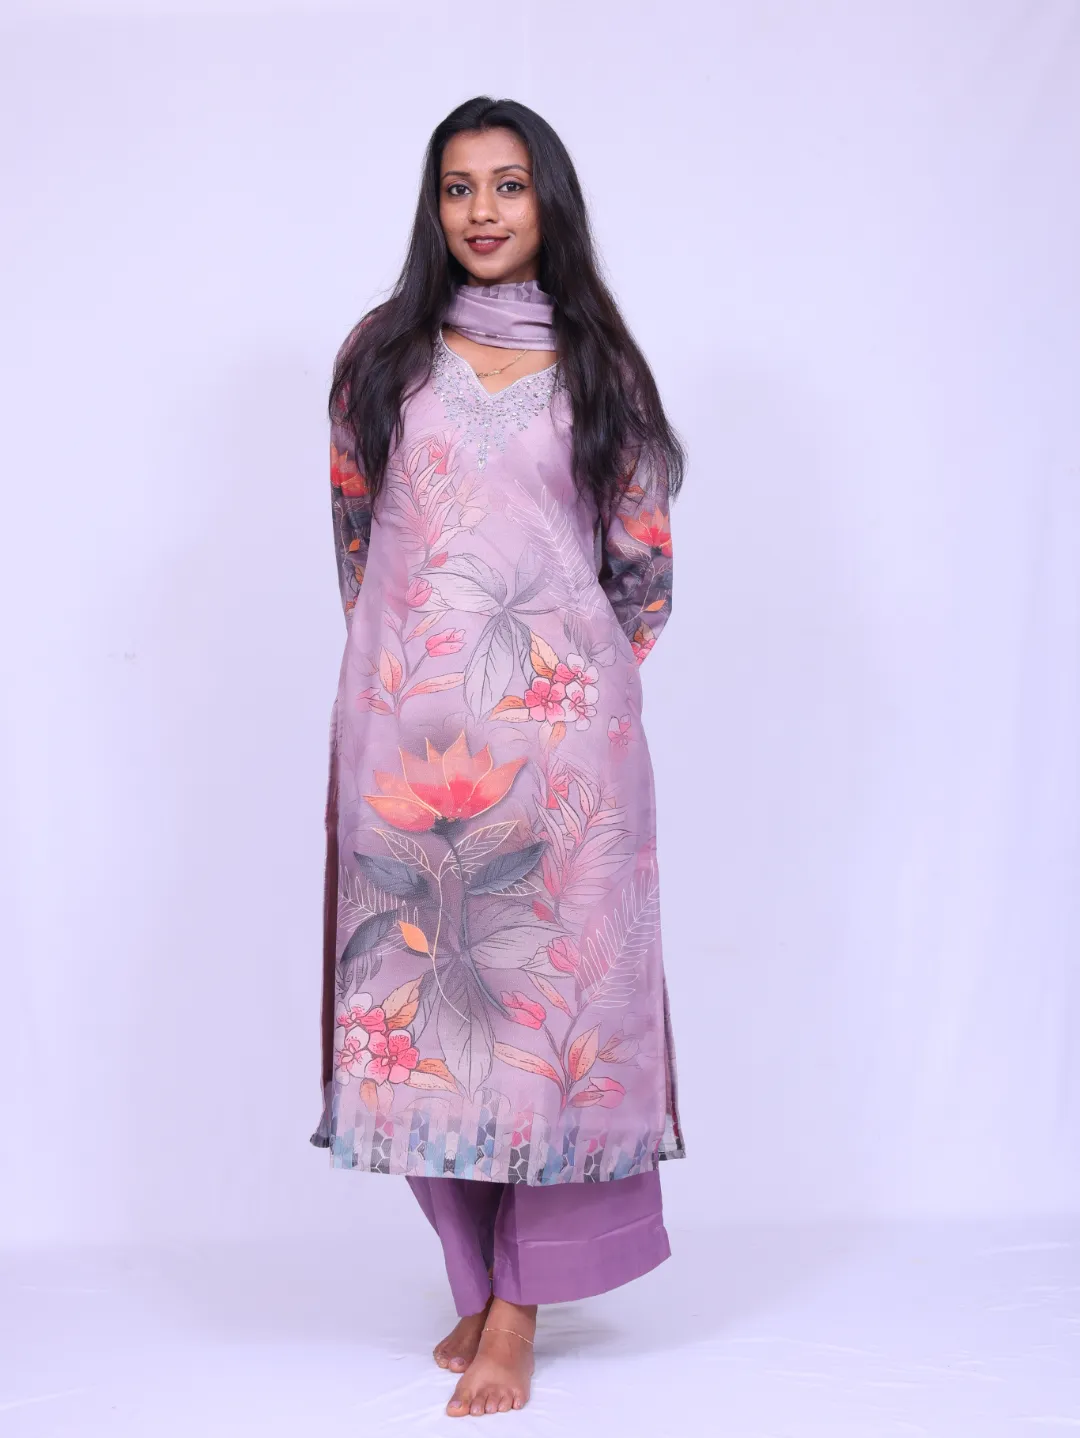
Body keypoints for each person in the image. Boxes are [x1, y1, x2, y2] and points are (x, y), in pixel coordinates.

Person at [310, 95, 686, 1418]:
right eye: (459, 186)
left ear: (548, 200)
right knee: (418, 1010)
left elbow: (642, 568)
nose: (482, 210)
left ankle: (517, 1310)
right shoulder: (381, 357)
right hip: (411, 744)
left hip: (563, 750)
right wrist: (412, 679)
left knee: (544, 1026)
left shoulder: (601, 367)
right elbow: (359, 548)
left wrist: (563, 688)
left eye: (509, 184)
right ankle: (471, 1278)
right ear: (435, 206)